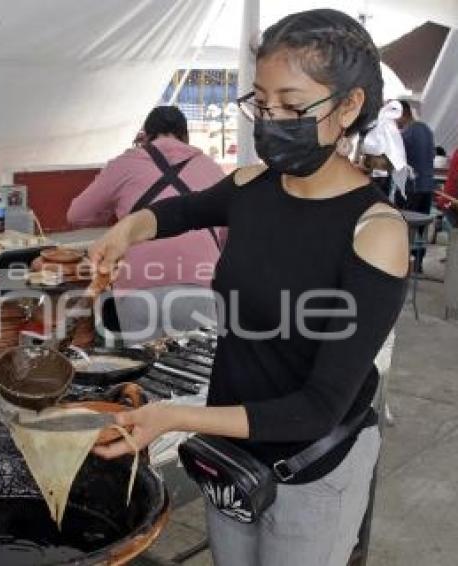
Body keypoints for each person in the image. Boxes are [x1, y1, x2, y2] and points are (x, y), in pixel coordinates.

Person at [91, 9, 408, 566]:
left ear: (349, 106)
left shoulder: (374, 233)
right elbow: (172, 214)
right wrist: (123, 233)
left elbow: (316, 409)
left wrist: (172, 415)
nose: (270, 119)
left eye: (291, 104)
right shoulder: (251, 185)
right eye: (261, 102)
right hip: (230, 447)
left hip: (311, 468)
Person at [67, 106, 225, 341]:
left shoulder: (125, 163)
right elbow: (228, 234)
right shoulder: (210, 167)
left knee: (142, 370)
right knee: (197, 371)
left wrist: (117, 216)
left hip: (137, 288)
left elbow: (76, 215)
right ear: (185, 136)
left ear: (146, 135)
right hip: (199, 285)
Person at [396, 100, 435, 270]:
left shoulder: (405, 134)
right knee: (421, 228)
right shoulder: (426, 129)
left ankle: (403, 263)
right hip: (427, 186)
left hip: (412, 188)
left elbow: (393, 161)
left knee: (405, 226)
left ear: (401, 114)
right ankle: (418, 263)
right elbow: (432, 154)